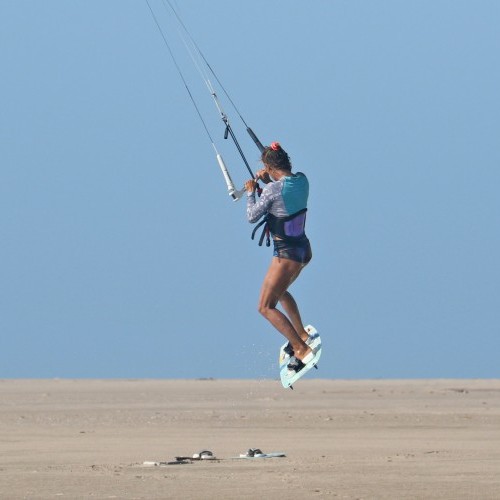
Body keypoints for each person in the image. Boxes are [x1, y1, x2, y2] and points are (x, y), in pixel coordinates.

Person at [245, 141, 315, 371]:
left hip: (287, 255)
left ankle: (301, 349)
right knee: (281, 291)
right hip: (304, 250)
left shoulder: (272, 190)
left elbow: (252, 216)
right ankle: (302, 334)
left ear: (269, 167)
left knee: (265, 306)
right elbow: (284, 195)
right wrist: (267, 181)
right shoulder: (302, 179)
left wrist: (250, 192)